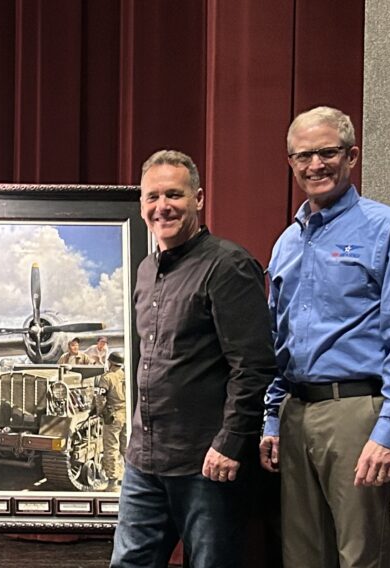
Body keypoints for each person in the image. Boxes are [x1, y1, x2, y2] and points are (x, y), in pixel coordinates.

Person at [259, 107, 390, 568]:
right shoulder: (286, 244)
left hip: (356, 413)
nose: (315, 164)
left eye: (327, 152)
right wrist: (273, 419)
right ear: (291, 163)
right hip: (296, 412)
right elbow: (278, 342)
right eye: (303, 155)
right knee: (302, 556)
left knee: (362, 557)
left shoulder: (389, 230)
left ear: (351, 155)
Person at [111, 150, 276, 568]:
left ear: (198, 199)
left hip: (207, 463)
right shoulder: (146, 269)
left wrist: (230, 443)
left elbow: (254, 366)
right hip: (145, 461)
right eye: (151, 197)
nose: (161, 206)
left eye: (173, 195)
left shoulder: (228, 265)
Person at [95, 352, 126, 491]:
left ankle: (113, 482)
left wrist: (99, 411)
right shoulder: (124, 375)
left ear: (110, 362)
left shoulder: (107, 378)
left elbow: (101, 397)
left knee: (111, 448)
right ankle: (129, 477)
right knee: (126, 448)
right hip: (125, 413)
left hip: (113, 415)